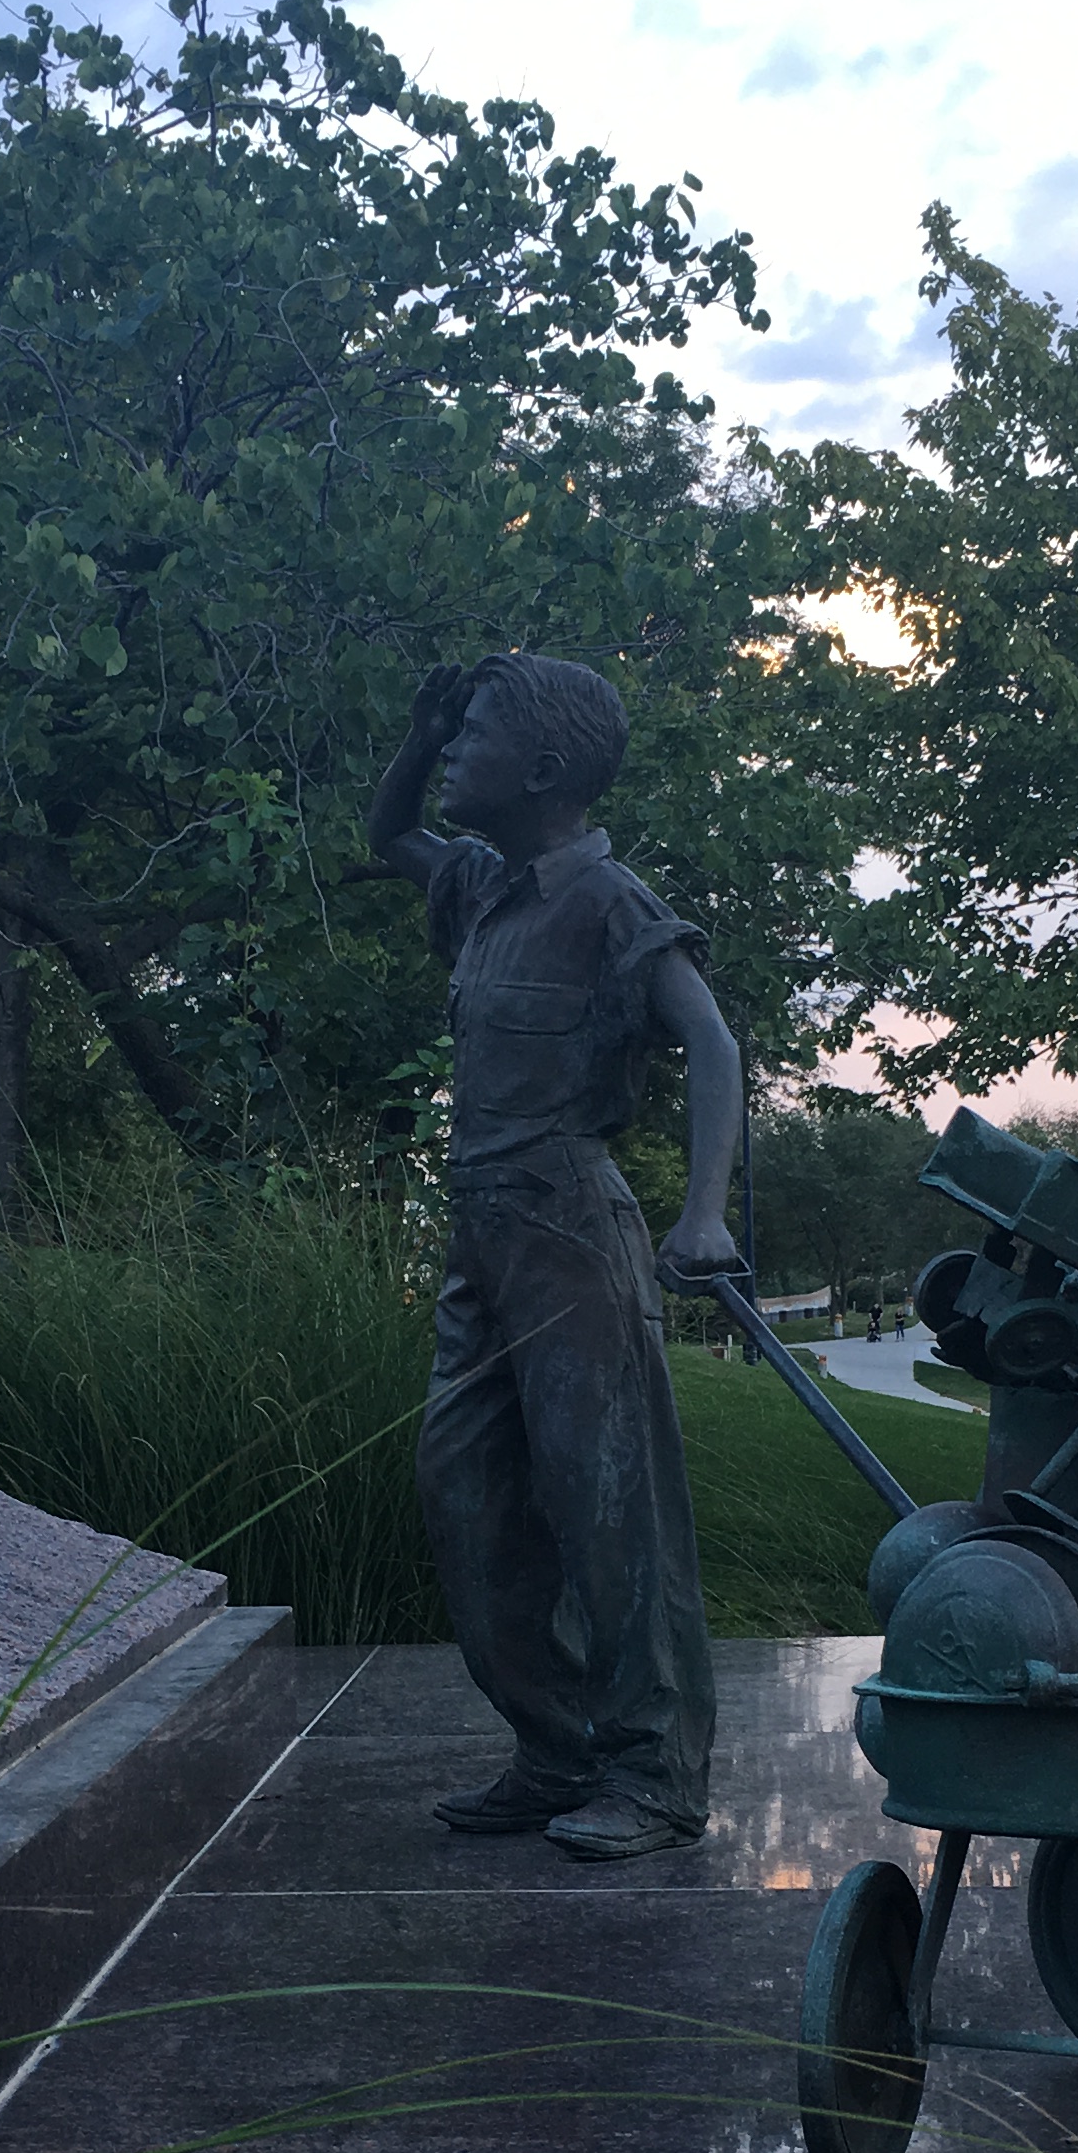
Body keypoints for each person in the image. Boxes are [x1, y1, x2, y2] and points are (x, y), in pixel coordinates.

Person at [368, 653, 746, 1860]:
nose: (454, 753)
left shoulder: (611, 901)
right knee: (463, 1490)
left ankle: (656, 1772)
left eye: (471, 736)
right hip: (482, 1228)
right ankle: (556, 1747)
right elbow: (389, 834)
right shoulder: (481, 887)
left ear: (538, 770)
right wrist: (421, 736)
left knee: (611, 1511)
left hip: (572, 1226)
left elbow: (715, 1047)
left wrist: (704, 1213)